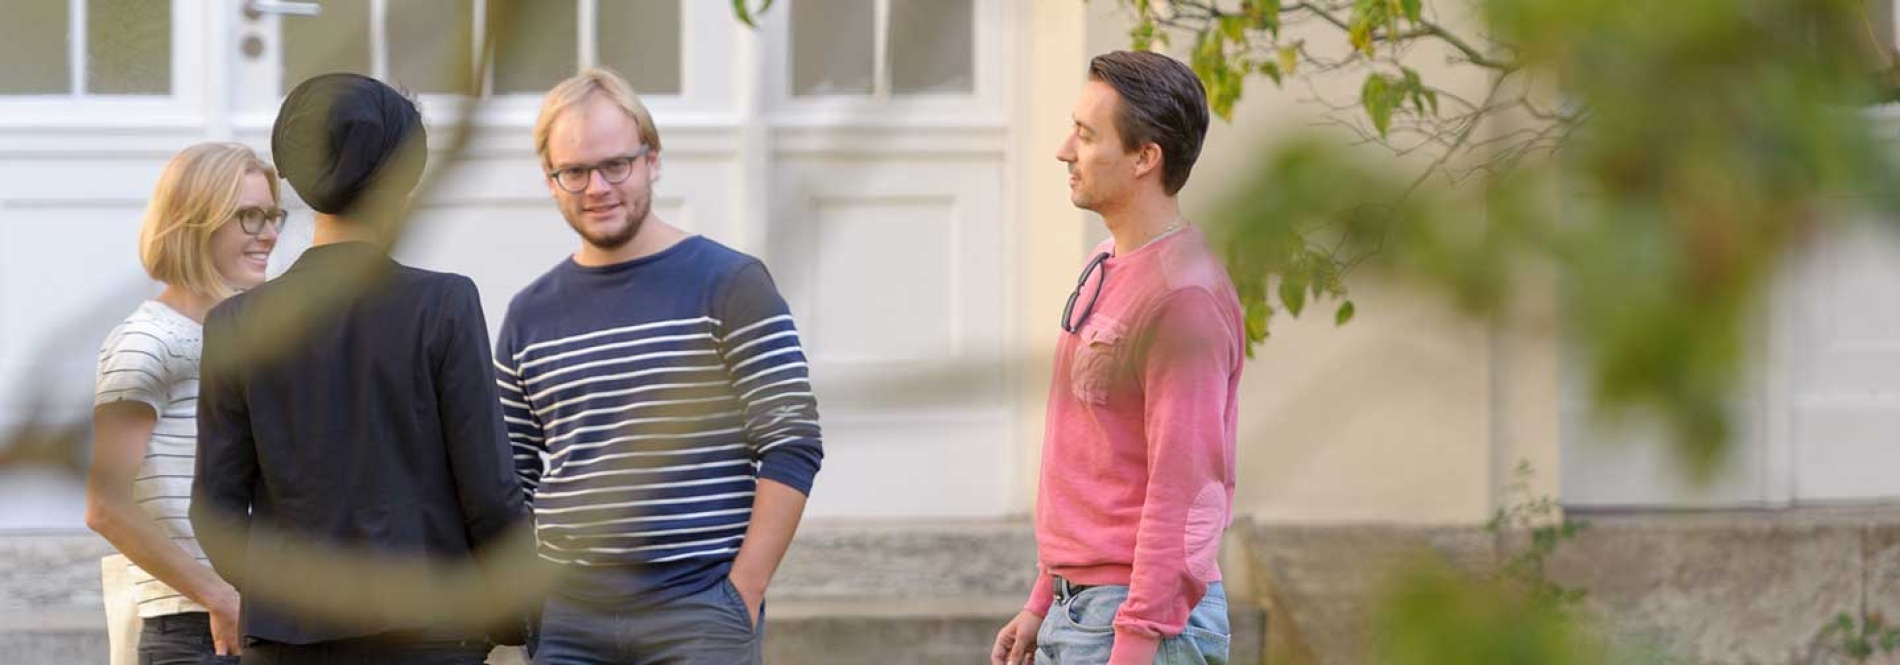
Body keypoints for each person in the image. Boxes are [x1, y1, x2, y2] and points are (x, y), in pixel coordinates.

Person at [190, 73, 528, 664]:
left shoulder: (236, 324)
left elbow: (214, 510)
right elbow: (490, 490)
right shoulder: (442, 305)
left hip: (288, 639)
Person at [495, 67, 824, 665]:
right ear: (550, 180)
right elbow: (509, 474)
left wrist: (742, 592)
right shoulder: (528, 316)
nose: (596, 186)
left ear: (652, 159)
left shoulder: (730, 284)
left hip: (699, 611)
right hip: (568, 623)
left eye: (615, 164)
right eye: (574, 171)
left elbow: (792, 443)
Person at [991, 50, 1245, 665]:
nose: (1063, 150)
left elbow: (1182, 491)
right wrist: (1043, 597)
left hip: (1139, 622)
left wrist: (1134, 642)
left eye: (1085, 134)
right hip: (1080, 611)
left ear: (1144, 157)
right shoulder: (1105, 263)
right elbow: (1097, 459)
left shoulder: (1183, 298)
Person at [88, 142, 284, 663]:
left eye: (272, 215)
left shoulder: (251, 340)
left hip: (264, 624)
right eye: (248, 217)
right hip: (195, 635)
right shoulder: (146, 343)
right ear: (196, 223)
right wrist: (219, 597)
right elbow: (105, 506)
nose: (269, 234)